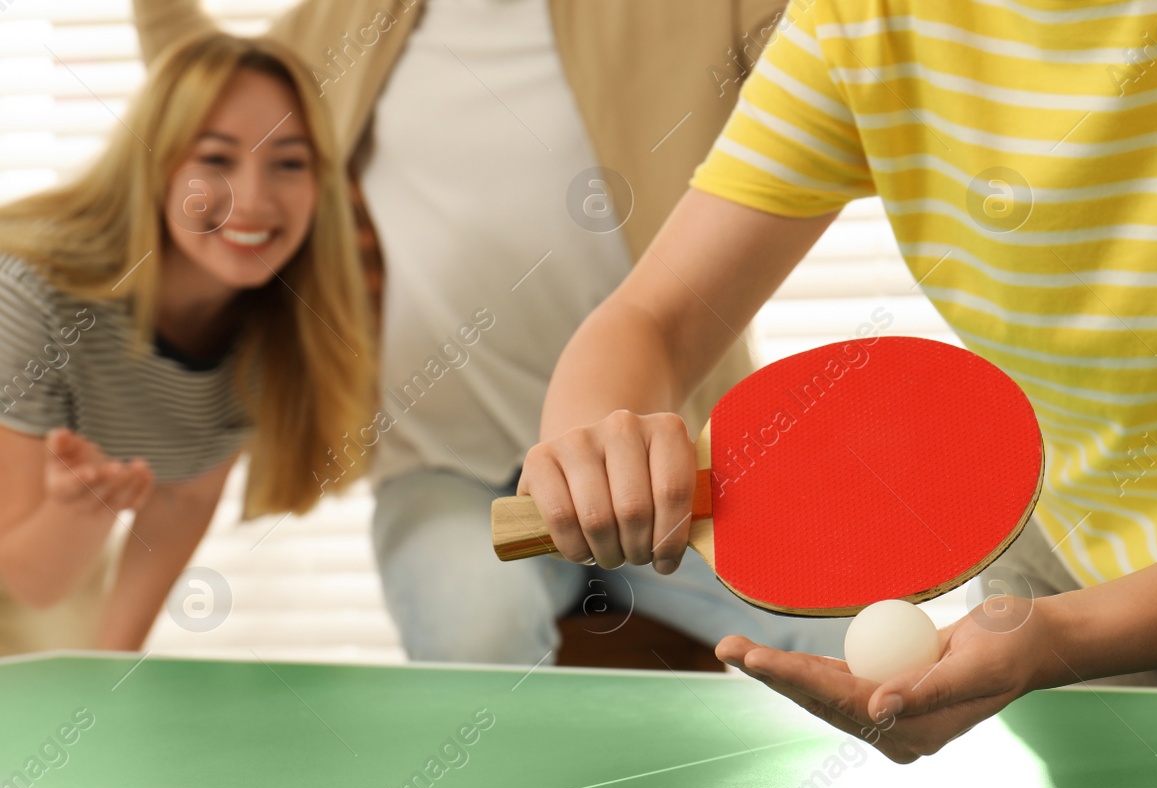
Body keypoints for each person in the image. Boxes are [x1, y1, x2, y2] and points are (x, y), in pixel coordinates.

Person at [515, 0, 1157, 761]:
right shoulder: (866, 18)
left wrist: (1060, 638)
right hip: (1071, 584)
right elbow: (654, 319)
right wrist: (595, 439)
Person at [134, 0, 850, 664]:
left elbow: (841, 46)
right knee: (475, 638)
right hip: (447, 471)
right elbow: (208, 85)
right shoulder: (348, 20)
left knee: (862, 625)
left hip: (668, 452)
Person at [0, 33, 374, 655]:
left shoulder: (273, 331)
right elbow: (28, 579)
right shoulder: (29, 298)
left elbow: (181, 499)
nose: (253, 201)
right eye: (217, 159)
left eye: (288, 162)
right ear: (154, 165)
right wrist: (81, 511)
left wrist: (110, 677)